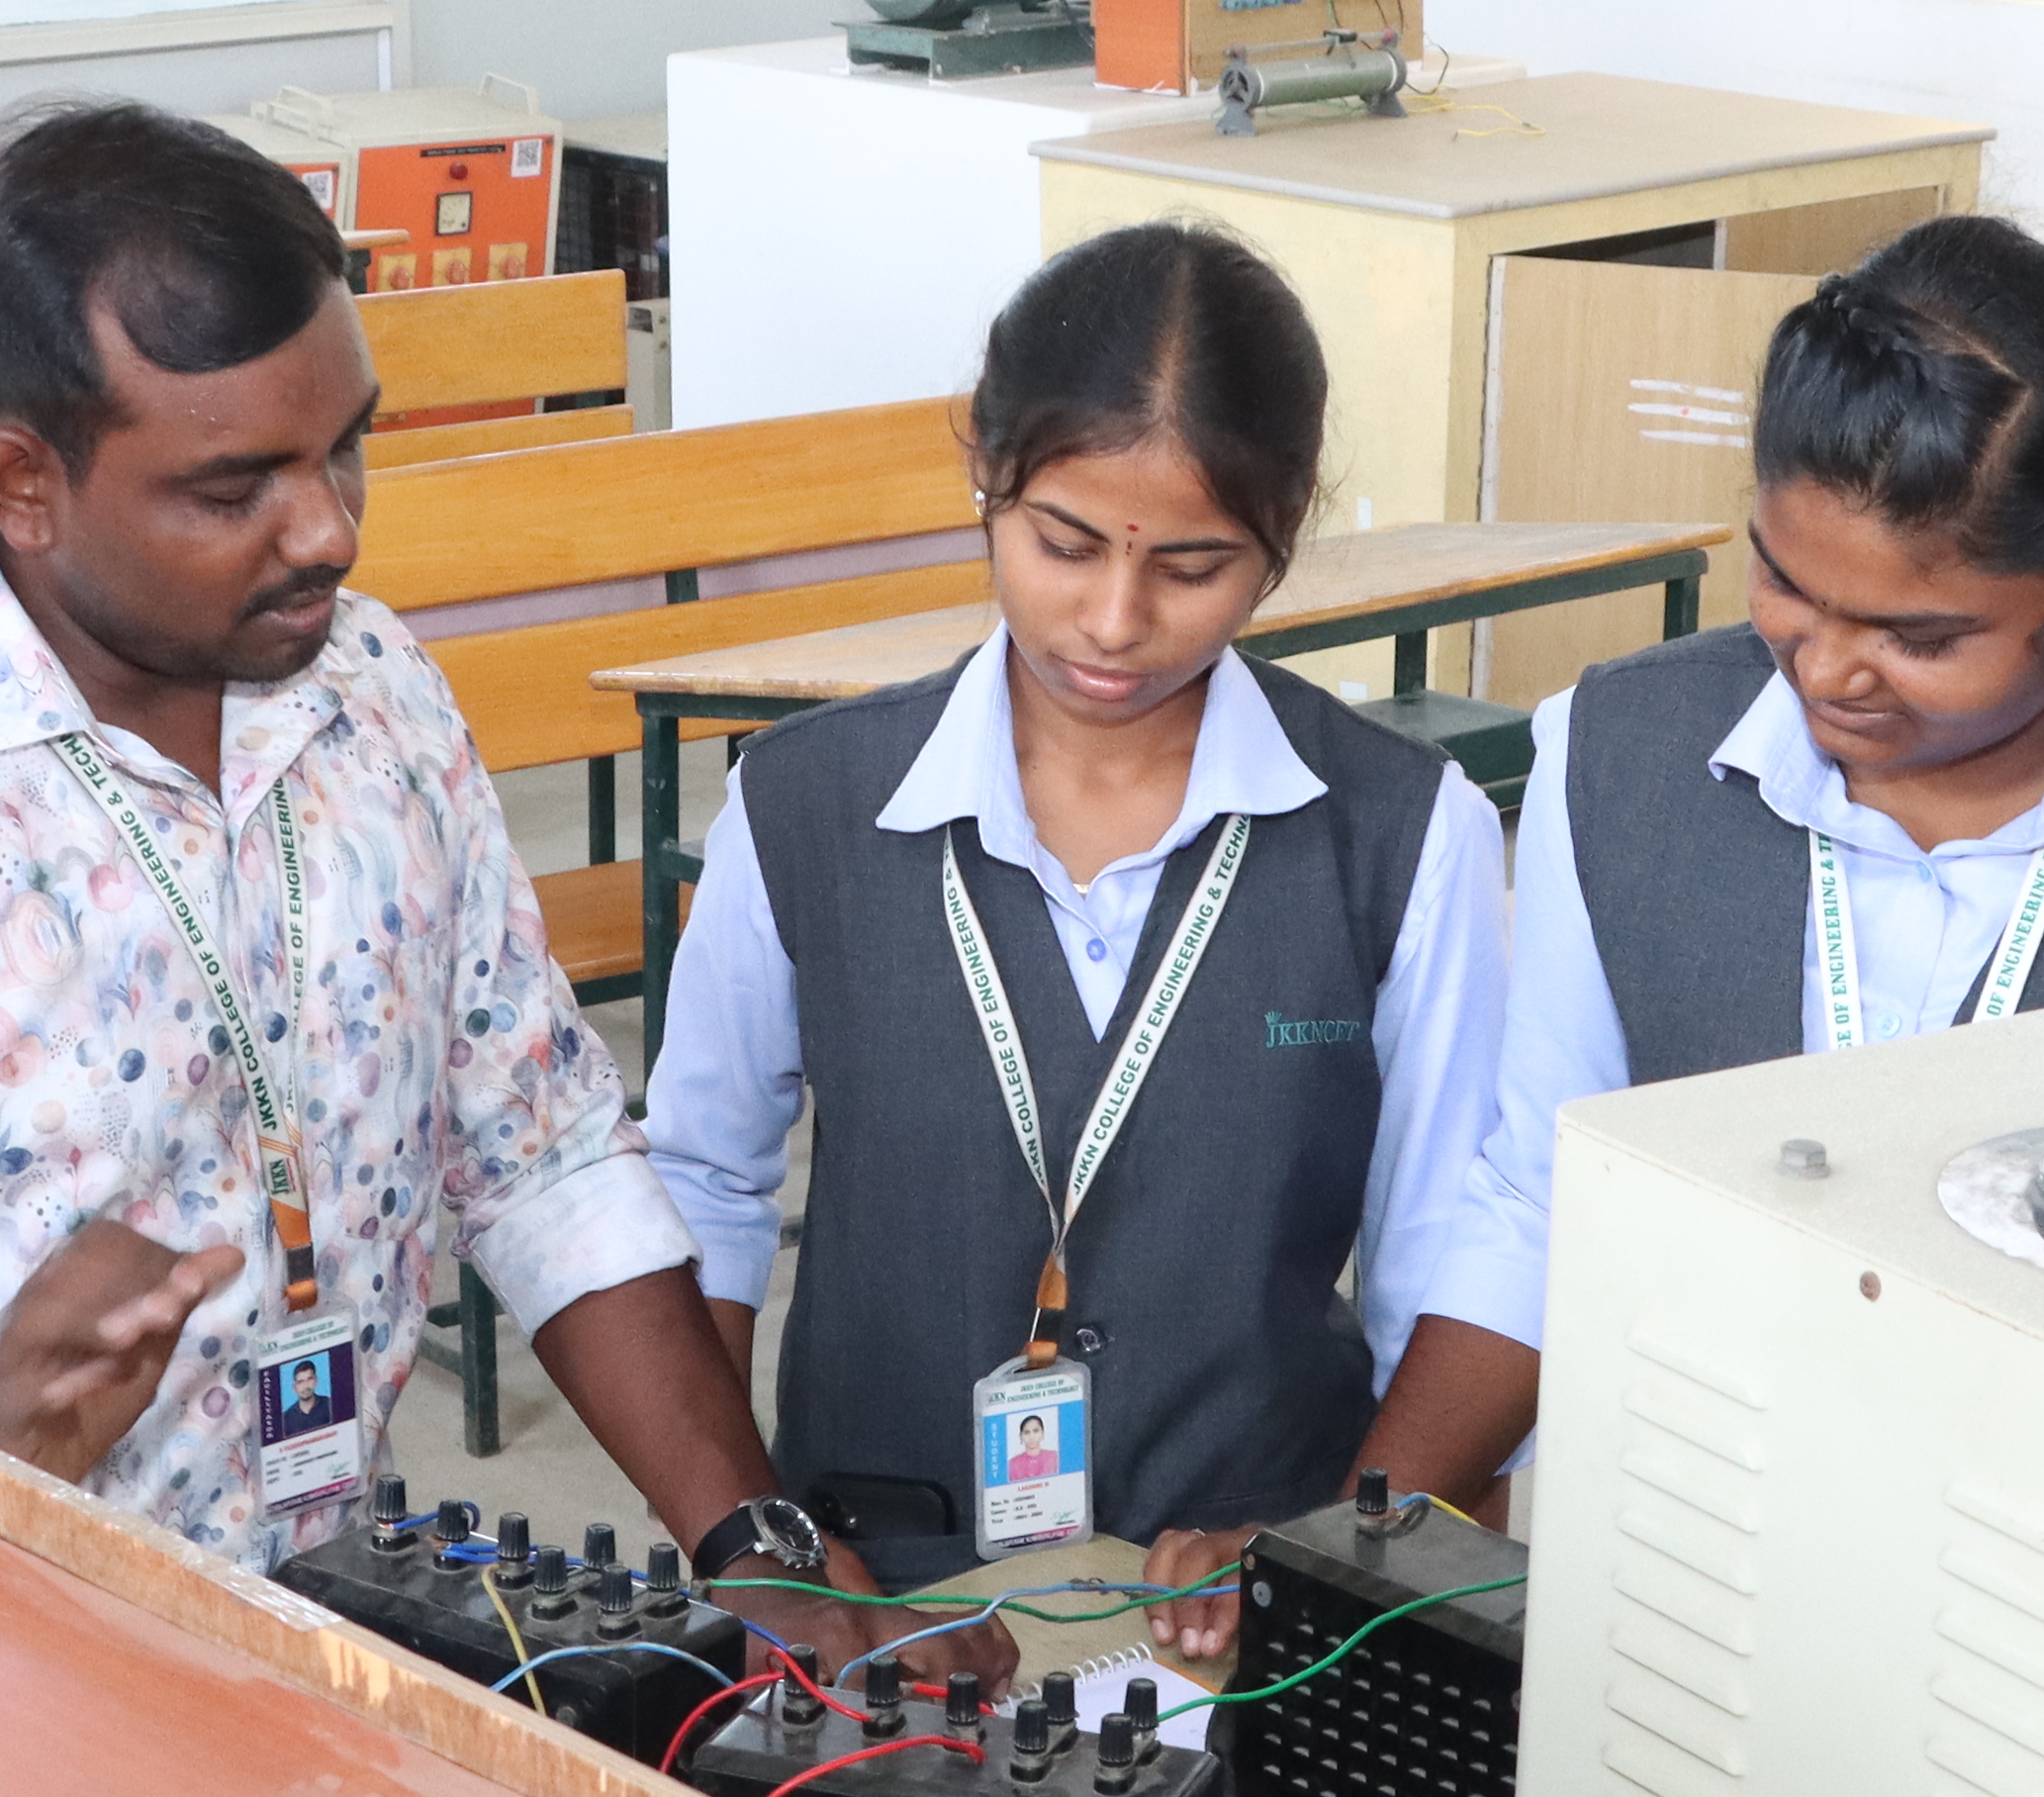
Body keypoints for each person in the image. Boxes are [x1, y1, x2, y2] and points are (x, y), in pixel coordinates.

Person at [0, 99, 825, 1604]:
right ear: (24, 486)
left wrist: (755, 1542)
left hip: (326, 1610)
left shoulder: (372, 691)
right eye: (233, 487)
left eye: (347, 451)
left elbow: (541, 1155)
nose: (327, 530)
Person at [1359, 215, 2044, 1501]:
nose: (1824, 669)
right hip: (1697, 1507)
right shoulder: (1623, 750)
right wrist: (1355, 1547)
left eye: (1918, 635)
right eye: (1784, 584)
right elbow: (1547, 1194)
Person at [643, 226, 1506, 1666]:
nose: (1116, 620)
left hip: (1245, 1606)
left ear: (1288, 522)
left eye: (1194, 565)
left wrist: (1350, 1538)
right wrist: (762, 1547)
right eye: (1063, 543)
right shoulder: (802, 804)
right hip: (880, 1586)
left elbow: (1453, 1262)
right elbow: (703, 1183)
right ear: (979, 462)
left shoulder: (1407, 834)